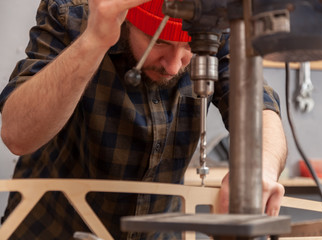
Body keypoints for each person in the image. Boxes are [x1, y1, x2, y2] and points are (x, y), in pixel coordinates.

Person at [0, 0, 287, 239]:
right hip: (50, 228)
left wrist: (258, 169)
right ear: (128, 19)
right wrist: (93, 42)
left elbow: (259, 104)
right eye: (159, 42)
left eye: (189, 48)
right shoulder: (72, 13)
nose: (174, 66)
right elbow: (17, 135)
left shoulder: (217, 25)